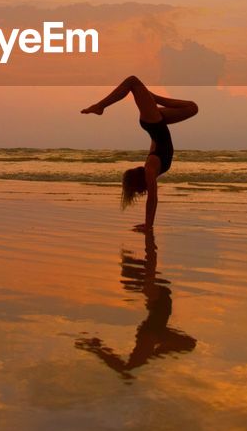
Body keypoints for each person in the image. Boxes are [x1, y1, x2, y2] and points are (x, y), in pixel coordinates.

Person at [81, 75, 198, 231]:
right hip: (157, 122)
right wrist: (148, 225)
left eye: (138, 190)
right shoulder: (151, 167)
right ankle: (153, 97)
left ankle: (100, 106)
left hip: (153, 123)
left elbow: (152, 198)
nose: (142, 192)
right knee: (193, 108)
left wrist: (148, 225)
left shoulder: (151, 167)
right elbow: (153, 197)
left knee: (132, 82)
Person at [74, 230, 197, 379]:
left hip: (156, 330)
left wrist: (149, 234)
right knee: (128, 370)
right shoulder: (150, 285)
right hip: (152, 332)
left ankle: (101, 348)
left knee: (190, 344)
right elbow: (151, 260)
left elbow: (151, 262)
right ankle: (96, 348)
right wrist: (149, 238)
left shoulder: (150, 286)